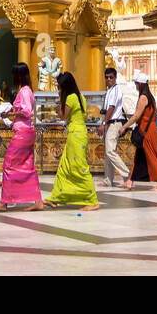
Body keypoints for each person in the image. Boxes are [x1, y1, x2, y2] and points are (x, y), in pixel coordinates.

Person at [0, 62, 42, 211]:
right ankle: (36, 200)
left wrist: (9, 114)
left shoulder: (25, 91)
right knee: (27, 166)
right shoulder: (27, 90)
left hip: (22, 133)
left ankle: (4, 202)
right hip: (27, 132)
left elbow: (26, 111)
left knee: (9, 164)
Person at [46, 71, 99, 210]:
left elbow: (63, 116)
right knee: (65, 166)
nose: (59, 89)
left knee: (79, 167)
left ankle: (93, 200)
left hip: (75, 134)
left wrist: (59, 102)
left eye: (60, 87)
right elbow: (85, 117)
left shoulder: (70, 98)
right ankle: (55, 197)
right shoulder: (80, 96)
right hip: (80, 132)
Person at [121, 71, 157, 192]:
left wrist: (124, 126)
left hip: (146, 131)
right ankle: (130, 181)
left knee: (151, 156)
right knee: (139, 156)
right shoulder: (150, 97)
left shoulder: (143, 97)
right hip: (148, 129)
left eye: (136, 83)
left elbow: (136, 116)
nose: (135, 85)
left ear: (140, 84)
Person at [100, 66, 131, 188]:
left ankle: (127, 174)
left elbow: (111, 108)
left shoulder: (116, 90)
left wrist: (103, 123)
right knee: (108, 153)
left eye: (111, 77)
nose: (108, 79)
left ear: (115, 78)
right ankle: (108, 179)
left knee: (110, 151)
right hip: (109, 123)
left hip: (114, 123)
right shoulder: (109, 91)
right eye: (106, 77)